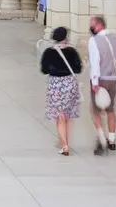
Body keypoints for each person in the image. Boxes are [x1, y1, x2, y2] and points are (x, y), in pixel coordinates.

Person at [87, 15, 116, 155]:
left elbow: (95, 61)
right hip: (113, 79)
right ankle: (112, 140)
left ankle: (101, 138)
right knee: (111, 110)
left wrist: (94, 81)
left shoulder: (94, 41)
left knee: (96, 111)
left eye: (92, 24)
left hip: (101, 80)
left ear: (99, 25)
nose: (91, 27)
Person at [40, 26, 83, 156]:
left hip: (55, 85)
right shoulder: (72, 51)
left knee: (60, 115)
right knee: (67, 114)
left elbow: (44, 70)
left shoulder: (48, 52)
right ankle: (63, 140)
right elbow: (78, 69)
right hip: (70, 84)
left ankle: (65, 145)